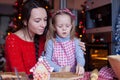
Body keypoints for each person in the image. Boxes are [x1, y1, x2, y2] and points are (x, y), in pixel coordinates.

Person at [5, 0, 50, 75]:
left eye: (45, 20)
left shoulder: (43, 39)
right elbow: (20, 75)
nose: (43, 25)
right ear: (25, 21)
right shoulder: (13, 40)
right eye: (37, 21)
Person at [45, 8, 85, 75]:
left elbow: (80, 57)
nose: (64, 29)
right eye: (60, 26)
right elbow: (47, 61)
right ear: (54, 27)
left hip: (73, 75)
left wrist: (80, 65)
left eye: (67, 26)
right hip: (57, 75)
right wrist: (60, 69)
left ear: (71, 26)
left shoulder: (76, 41)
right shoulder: (51, 43)